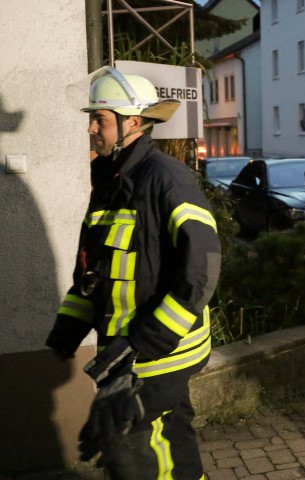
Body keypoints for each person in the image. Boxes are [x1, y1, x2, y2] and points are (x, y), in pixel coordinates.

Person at [46, 67, 221, 480]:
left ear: (133, 123)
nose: (91, 128)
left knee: (132, 452)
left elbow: (203, 269)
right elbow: (93, 271)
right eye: (92, 118)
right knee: (171, 444)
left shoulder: (167, 179)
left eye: (101, 119)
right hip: (128, 351)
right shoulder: (109, 182)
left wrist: (145, 342)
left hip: (158, 353)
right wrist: (68, 331)